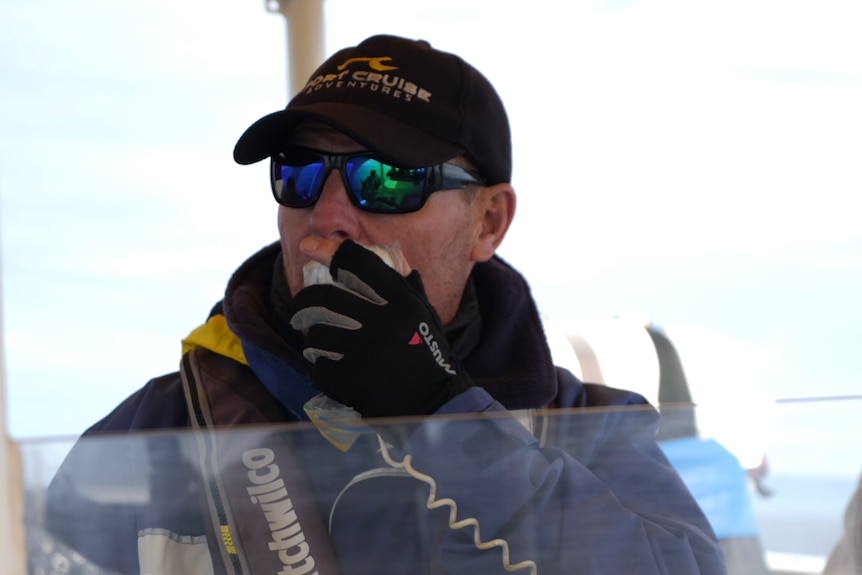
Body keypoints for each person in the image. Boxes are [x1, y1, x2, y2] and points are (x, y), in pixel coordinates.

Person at [42, 34, 726, 575]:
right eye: (300, 172)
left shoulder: (585, 431)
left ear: (488, 221)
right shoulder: (149, 438)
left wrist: (441, 412)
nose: (329, 215)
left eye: (389, 178)